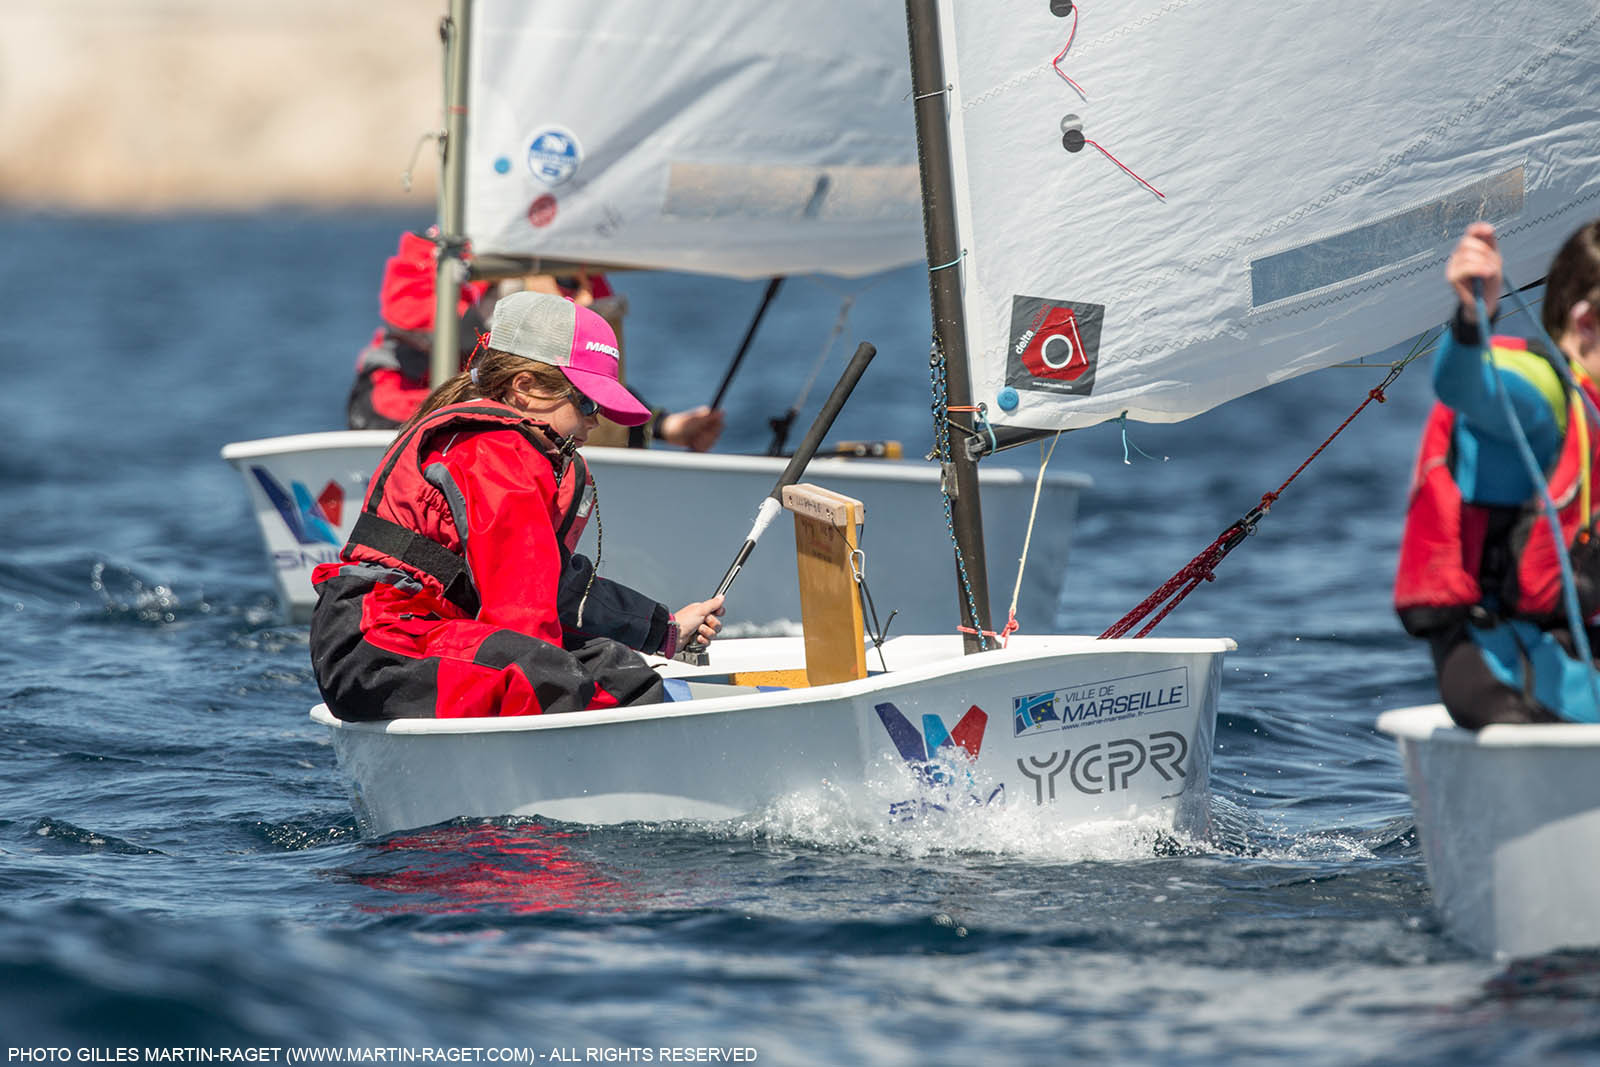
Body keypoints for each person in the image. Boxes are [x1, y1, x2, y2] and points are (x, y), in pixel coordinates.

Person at [311, 290, 725, 720]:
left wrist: (665, 629)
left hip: (421, 640)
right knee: (554, 672)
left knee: (609, 666)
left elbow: (552, 585)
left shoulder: (512, 448)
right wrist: (571, 678)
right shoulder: (496, 453)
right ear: (524, 388)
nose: (594, 420)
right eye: (585, 401)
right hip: (380, 650)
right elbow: (520, 612)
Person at [1394, 219, 1600, 728]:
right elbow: (1464, 385)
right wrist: (1471, 319)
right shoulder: (1540, 394)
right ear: (1589, 321)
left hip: (1563, 643)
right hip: (1494, 658)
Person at [345, 231, 725, 452]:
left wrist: (664, 426)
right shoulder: (437, 268)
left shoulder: (569, 273)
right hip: (408, 416)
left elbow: (579, 388)